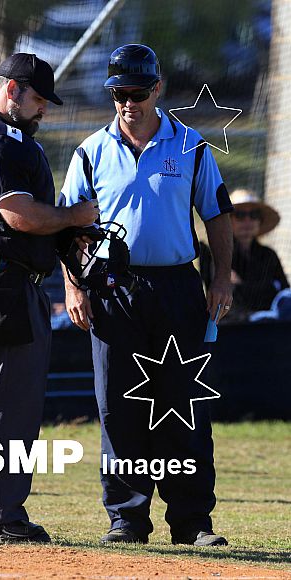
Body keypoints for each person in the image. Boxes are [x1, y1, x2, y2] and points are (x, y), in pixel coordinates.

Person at [60, 45, 233, 546]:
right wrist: (73, 286)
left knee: (184, 405)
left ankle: (192, 521)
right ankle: (127, 518)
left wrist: (221, 279)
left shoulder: (193, 146)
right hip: (111, 290)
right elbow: (69, 226)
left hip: (178, 287)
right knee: (118, 406)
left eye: (137, 93)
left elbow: (217, 214)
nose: (128, 103)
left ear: (157, 89)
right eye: (119, 94)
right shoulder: (90, 151)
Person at [0, 53, 99, 544]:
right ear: (11, 90)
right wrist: (75, 217)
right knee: (6, 405)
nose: (44, 109)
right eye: (38, 98)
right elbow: (20, 216)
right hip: (3, 289)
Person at [200, 189, 288, 321]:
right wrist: (269, 287)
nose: (248, 221)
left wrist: (241, 285)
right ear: (228, 220)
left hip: (271, 324)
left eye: (254, 215)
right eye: (240, 215)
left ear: (259, 221)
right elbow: (228, 299)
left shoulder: (269, 255)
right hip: (234, 325)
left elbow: (283, 293)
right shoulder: (219, 255)